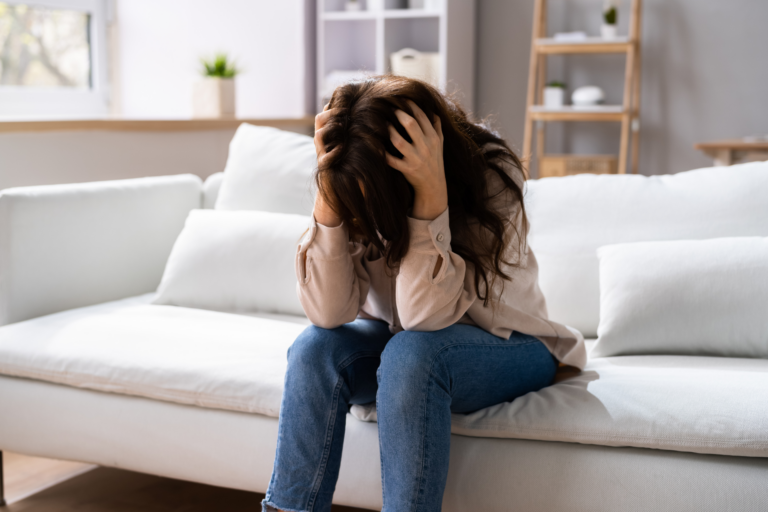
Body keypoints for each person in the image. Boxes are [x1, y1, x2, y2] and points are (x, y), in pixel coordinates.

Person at [262, 75, 586, 512]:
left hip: (513, 345)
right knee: (313, 348)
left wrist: (430, 196)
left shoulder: (490, 175)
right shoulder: (354, 173)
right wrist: (329, 191)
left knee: (414, 355)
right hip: (405, 343)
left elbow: (423, 319)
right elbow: (328, 312)